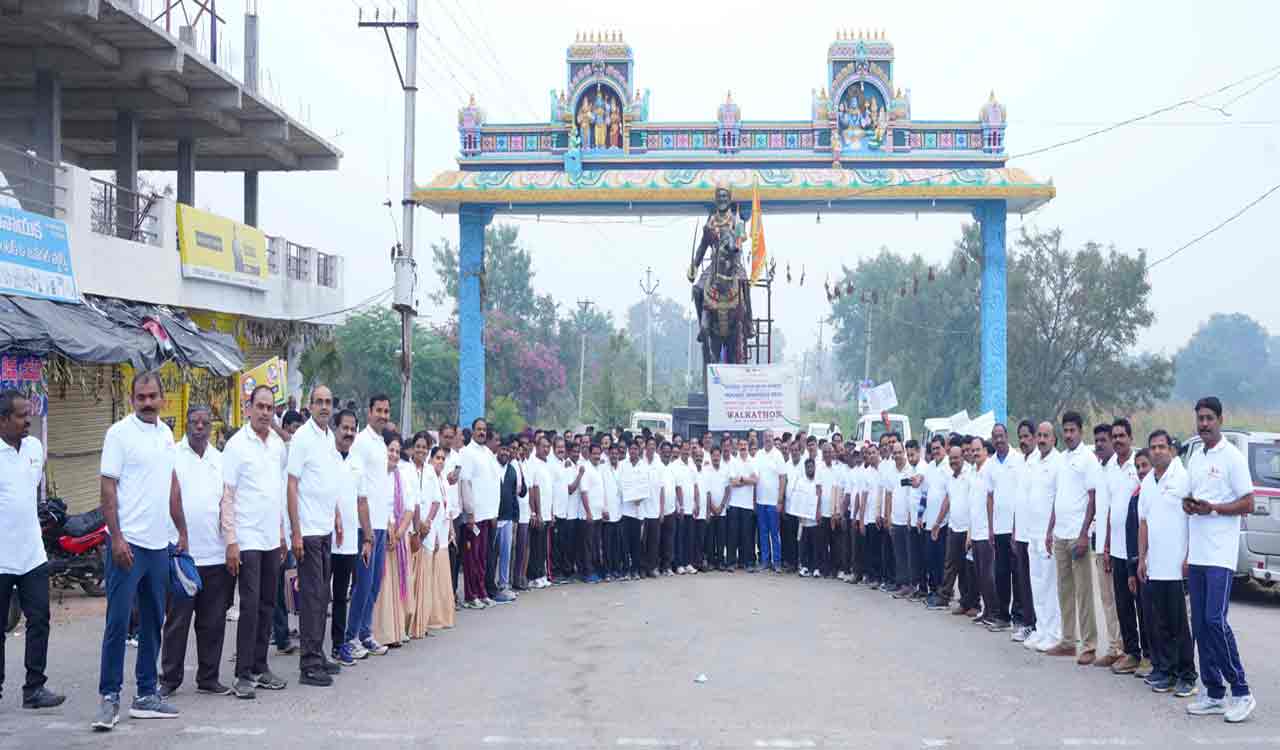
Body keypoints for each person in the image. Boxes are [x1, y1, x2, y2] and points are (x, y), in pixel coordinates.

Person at [92, 372, 187, 730]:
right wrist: (116, 538)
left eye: (153, 396)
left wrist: (181, 529)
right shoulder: (118, 434)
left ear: (163, 398)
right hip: (127, 546)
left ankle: (146, 694)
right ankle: (109, 697)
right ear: (132, 399)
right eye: (141, 397)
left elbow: (171, 484)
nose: (147, 402)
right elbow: (108, 489)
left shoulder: (165, 435)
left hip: (158, 546)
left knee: (153, 622)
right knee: (118, 623)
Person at [1182, 397, 1257, 722]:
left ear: (1221, 419)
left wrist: (1213, 508)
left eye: (1209, 418)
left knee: (1215, 621)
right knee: (1199, 624)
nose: (1204, 424)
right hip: (1197, 553)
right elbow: (1193, 497)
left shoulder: (1233, 458)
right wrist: (1191, 505)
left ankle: (1241, 691)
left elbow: (1249, 503)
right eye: (1200, 418)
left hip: (1220, 555)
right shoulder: (1196, 455)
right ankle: (1213, 691)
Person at [218, 384, 289, 701]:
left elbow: (280, 492)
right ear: (248, 408)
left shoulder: (277, 446)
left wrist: (284, 532)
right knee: (249, 605)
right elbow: (227, 497)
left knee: (267, 604)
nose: (264, 412)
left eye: (269, 408)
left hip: (271, 538)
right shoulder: (235, 446)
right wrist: (231, 541)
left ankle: (261, 666)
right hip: (246, 538)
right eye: (259, 406)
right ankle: (242, 673)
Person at [160, 406, 233, 698]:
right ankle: (169, 679)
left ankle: (209, 677)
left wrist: (230, 545)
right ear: (186, 425)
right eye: (194, 422)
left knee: (213, 622)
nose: (199, 427)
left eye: (205, 423)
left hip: (215, 556)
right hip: (182, 556)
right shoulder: (173, 457)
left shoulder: (221, 461)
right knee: (177, 622)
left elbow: (228, 505)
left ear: (212, 427)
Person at [0, 390, 64, 709]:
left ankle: (34, 689)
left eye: (30, 414)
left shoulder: (36, 448)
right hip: (0, 559)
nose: (29, 421)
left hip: (32, 556)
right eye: (22, 416)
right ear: (3, 420)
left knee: (39, 620)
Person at [285, 385, 344, 686]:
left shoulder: (327, 438)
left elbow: (328, 481)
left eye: (328, 402)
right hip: (306, 531)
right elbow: (292, 485)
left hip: (324, 530)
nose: (324, 407)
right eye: (319, 402)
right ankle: (308, 665)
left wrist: (336, 516)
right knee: (310, 598)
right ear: (309, 406)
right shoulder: (302, 439)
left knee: (322, 597)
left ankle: (318, 653)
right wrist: (295, 531)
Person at [1138, 429, 1197, 698]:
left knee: (1179, 625)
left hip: (1177, 566)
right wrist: (1142, 558)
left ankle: (1187, 675)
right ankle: (1165, 671)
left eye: (1162, 446)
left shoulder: (1183, 478)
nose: (1158, 451)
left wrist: (1189, 556)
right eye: (1153, 447)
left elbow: (1194, 520)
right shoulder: (1148, 481)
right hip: (1155, 564)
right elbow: (1144, 523)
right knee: (1159, 622)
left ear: (1171, 449)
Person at [1044, 411, 1103, 664]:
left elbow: (1093, 499)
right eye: (1065, 431)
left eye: (1072, 431)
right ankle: (1068, 641)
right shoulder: (1061, 460)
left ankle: (1089, 645)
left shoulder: (1088, 459)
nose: (1068, 435)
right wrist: (1049, 530)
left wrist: (1083, 535)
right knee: (1064, 590)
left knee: (1083, 593)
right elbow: (1058, 498)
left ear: (1080, 431)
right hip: (1060, 534)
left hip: (1077, 536)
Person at [346, 396, 392, 654]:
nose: (383, 416)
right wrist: (366, 530)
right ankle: (350, 636)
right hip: (366, 526)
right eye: (379, 411)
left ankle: (365, 632)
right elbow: (358, 488)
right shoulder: (361, 442)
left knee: (375, 581)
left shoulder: (381, 443)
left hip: (381, 524)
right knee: (362, 583)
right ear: (369, 411)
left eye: (386, 411)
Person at [1102, 418, 1142, 674]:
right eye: (1114, 436)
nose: (1117, 440)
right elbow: (1109, 510)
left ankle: (1148, 654)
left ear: (1130, 437)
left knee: (1142, 605)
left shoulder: (1138, 465)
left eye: (1121, 436)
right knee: (1122, 605)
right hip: (1115, 548)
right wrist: (1105, 546)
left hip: (1135, 549)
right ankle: (1131, 652)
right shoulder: (1110, 468)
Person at [373, 431, 415, 643]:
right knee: (381, 587)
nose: (394, 455)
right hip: (381, 535)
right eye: (391, 450)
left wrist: (399, 532)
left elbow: (410, 508)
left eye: (398, 451)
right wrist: (388, 526)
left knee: (397, 586)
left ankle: (396, 631)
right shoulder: (377, 475)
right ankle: (380, 633)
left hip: (398, 539)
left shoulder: (402, 476)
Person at [1025, 422, 1063, 652]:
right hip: (1033, 533)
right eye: (1039, 435)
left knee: (1050, 586)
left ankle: (1055, 633)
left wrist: (1050, 531)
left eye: (1046, 436)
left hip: (1049, 535)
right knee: (1037, 584)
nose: (1041, 439)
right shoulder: (1033, 461)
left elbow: (1058, 500)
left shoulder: (1058, 463)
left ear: (1054, 438)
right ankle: (1041, 629)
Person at [271, 408, 306, 656]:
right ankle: (280, 635)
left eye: (297, 428)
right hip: (273, 528)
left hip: (294, 526)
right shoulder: (276, 450)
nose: (293, 433)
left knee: (293, 581)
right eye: (290, 427)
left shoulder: (297, 450)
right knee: (275, 589)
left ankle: (296, 628)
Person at [330, 410, 364, 665]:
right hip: (326, 538)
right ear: (335, 428)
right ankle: (313, 649)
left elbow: (362, 501)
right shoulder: (325, 457)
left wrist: (368, 536)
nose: (349, 433)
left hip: (350, 541)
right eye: (345, 428)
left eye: (353, 429)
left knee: (342, 596)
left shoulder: (356, 461)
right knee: (320, 596)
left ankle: (338, 645)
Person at [460, 418, 504, 606]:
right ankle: (471, 596)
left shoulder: (487, 453)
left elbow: (494, 484)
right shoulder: (466, 453)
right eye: (478, 429)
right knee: (472, 558)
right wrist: (470, 513)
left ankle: (481, 591)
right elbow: (465, 483)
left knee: (483, 557)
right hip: (474, 517)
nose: (481, 433)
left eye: (484, 430)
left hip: (488, 515)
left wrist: (494, 513)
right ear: (473, 431)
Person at [1091, 422, 1124, 668]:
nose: (1100, 444)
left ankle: (1124, 647)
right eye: (1098, 441)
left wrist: (1108, 546)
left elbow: (1115, 511)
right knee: (1106, 599)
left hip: (1113, 547)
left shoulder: (1119, 469)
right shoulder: (1100, 468)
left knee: (1119, 599)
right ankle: (1115, 646)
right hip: (1100, 543)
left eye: (1105, 440)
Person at [987, 425, 1022, 630]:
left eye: (1001, 436)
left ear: (1007, 437)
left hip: (1015, 528)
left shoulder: (1017, 460)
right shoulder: (991, 464)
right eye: (995, 437)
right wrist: (991, 527)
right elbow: (990, 497)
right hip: (998, 528)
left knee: (1017, 573)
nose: (998, 440)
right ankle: (1002, 615)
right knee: (1001, 573)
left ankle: (1018, 615)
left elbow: (1020, 495)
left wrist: (1018, 527)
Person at [1009, 421, 1038, 642]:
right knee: (1023, 581)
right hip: (1020, 534)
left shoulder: (1040, 461)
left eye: (1027, 436)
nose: (1024, 440)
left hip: (1035, 535)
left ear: (1036, 437)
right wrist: (1013, 531)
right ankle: (1028, 623)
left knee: (1038, 583)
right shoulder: (1021, 462)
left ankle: (1038, 625)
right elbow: (1018, 501)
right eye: (1021, 436)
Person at [967, 438, 999, 628]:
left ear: (986, 451)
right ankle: (986, 610)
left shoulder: (989, 470)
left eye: (978, 450)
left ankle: (994, 612)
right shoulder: (973, 471)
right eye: (973, 450)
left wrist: (991, 530)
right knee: (979, 574)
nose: (975, 453)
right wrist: (969, 533)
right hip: (975, 531)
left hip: (987, 532)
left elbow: (991, 501)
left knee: (988, 575)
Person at [754, 432, 787, 573]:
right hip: (761, 501)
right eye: (766, 436)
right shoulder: (759, 455)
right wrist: (754, 499)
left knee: (775, 533)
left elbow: (783, 478)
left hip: (773, 501)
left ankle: (777, 562)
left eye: (770, 436)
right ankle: (765, 561)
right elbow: (755, 477)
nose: (768, 439)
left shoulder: (778, 455)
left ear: (773, 439)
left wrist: (780, 500)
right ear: (763, 439)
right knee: (763, 532)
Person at [725, 438, 758, 572]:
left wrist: (742, 479)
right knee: (733, 535)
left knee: (747, 535)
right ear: (737, 446)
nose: (743, 447)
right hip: (734, 503)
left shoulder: (753, 461)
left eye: (745, 445)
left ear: (748, 447)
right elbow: (732, 482)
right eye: (741, 445)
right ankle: (731, 562)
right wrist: (747, 480)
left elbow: (756, 480)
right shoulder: (733, 462)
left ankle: (746, 562)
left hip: (747, 505)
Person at [526, 435, 554, 589]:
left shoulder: (546, 464)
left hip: (548, 512)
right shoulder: (533, 463)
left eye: (548, 446)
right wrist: (537, 513)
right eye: (543, 446)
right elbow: (534, 489)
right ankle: (533, 576)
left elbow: (549, 490)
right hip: (539, 513)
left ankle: (541, 574)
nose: (546, 449)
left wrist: (551, 512)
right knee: (536, 546)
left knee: (543, 546)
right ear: (536, 447)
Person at [579, 442, 604, 583]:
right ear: (589, 454)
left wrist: (603, 509)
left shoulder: (598, 468)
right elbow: (583, 492)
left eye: (598, 453)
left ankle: (593, 570)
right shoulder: (586, 469)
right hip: (589, 515)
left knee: (595, 544)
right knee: (588, 545)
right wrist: (588, 512)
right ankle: (587, 573)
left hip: (598, 514)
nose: (596, 456)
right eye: (594, 453)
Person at [601, 443, 625, 580]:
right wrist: (604, 508)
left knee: (617, 544)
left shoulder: (622, 468)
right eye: (612, 453)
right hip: (607, 513)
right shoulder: (603, 469)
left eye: (617, 453)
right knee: (607, 545)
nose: (614, 455)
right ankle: (607, 571)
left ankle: (616, 569)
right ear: (609, 454)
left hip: (619, 512)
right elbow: (602, 490)